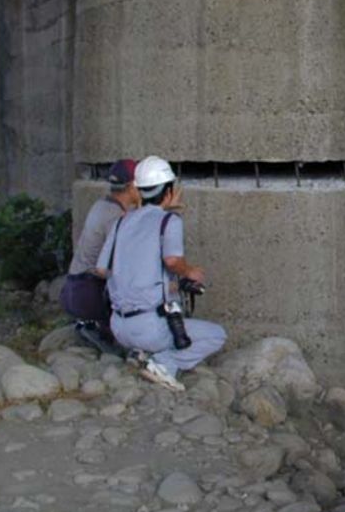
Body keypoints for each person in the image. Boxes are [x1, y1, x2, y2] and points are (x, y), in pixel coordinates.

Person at [95, 155, 227, 391]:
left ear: (139, 190)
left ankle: (140, 355)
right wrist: (190, 273)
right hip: (149, 329)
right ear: (168, 191)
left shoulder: (120, 223)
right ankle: (163, 364)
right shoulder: (169, 222)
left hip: (119, 327)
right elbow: (172, 260)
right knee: (216, 335)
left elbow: (102, 269)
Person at [60, 159, 141, 352]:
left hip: (72, 290)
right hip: (89, 293)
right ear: (131, 186)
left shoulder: (101, 205)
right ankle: (106, 331)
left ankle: (92, 326)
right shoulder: (117, 217)